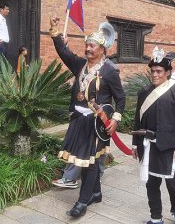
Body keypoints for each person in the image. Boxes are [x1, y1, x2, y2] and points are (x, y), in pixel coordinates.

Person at [49, 17, 125, 217]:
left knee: (89, 162)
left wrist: (115, 119)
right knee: (85, 160)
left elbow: (121, 98)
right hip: (79, 121)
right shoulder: (80, 65)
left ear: (102, 49)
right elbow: (64, 53)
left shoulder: (110, 71)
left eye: (92, 45)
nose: (88, 48)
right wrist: (55, 31)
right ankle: (96, 192)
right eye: (87, 45)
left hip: (98, 124)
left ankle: (82, 202)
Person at [132, 47, 175, 224]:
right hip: (149, 146)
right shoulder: (144, 93)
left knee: (173, 185)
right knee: (151, 184)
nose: (155, 74)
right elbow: (137, 120)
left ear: (167, 73)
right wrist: (135, 144)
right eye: (153, 71)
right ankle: (156, 218)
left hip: (170, 146)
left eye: (159, 71)